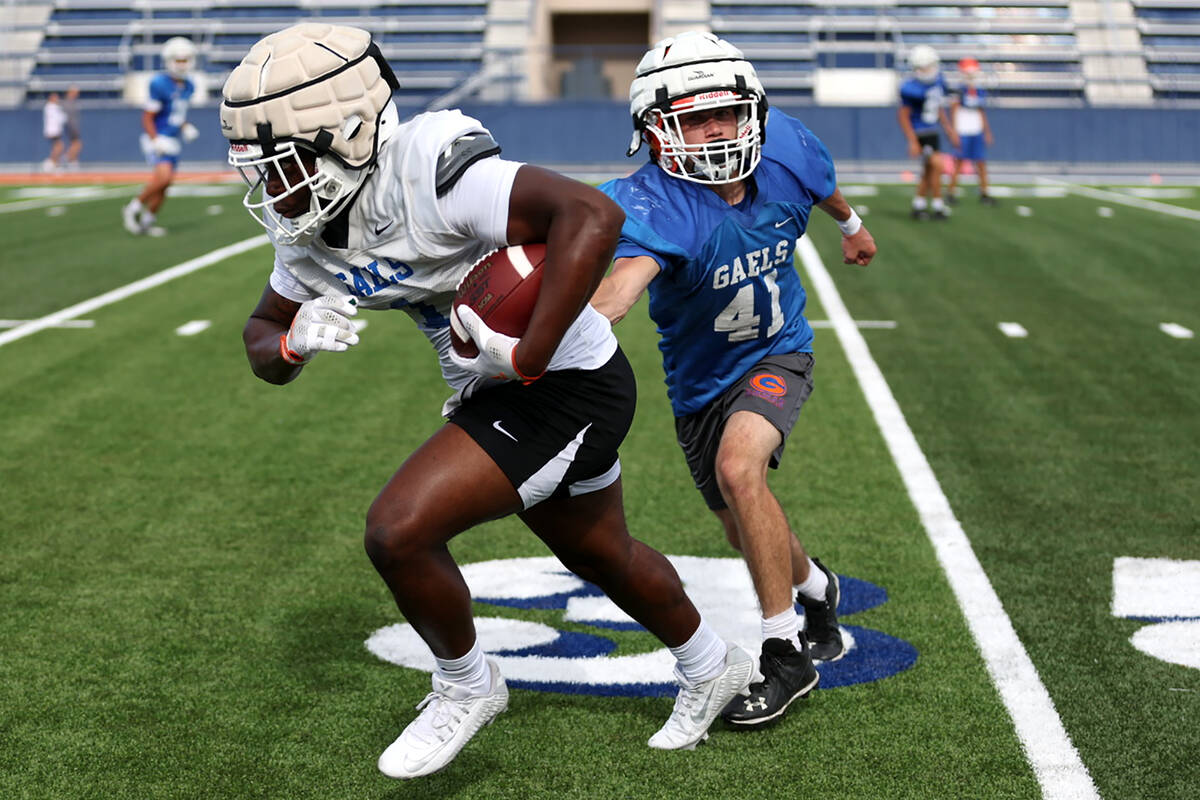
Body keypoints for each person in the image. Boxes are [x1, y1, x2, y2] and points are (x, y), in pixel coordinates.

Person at [221, 23, 754, 779]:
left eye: (286, 166)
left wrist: (529, 349)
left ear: (346, 134)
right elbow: (261, 340)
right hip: (500, 386)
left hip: (565, 384)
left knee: (397, 531)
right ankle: (711, 664)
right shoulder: (308, 228)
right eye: (264, 171)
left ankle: (467, 685)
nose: (275, 189)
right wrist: (292, 338)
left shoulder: (431, 171)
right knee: (602, 553)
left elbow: (592, 218)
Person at [591, 31, 877, 727]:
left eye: (725, 112)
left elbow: (827, 188)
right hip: (699, 384)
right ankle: (816, 587)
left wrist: (853, 226)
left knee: (740, 471)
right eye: (693, 116)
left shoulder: (788, 146)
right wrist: (539, 347)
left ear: (753, 111)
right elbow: (619, 292)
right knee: (738, 526)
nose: (715, 128)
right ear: (658, 133)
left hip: (779, 350)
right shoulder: (655, 204)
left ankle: (784, 657)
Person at [122, 37, 199, 236]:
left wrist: (185, 126)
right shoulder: (159, 84)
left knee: (166, 184)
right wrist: (155, 140)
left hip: (173, 139)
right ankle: (133, 207)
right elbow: (148, 117)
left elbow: (175, 114)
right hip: (158, 137)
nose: (182, 65)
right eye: (178, 60)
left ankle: (147, 222)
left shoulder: (189, 85)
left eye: (185, 60)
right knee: (163, 178)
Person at [897, 44, 958, 220]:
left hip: (933, 131)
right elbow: (902, 116)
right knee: (937, 165)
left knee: (929, 169)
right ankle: (937, 205)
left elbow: (938, 107)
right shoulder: (910, 87)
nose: (930, 69)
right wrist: (912, 140)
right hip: (920, 132)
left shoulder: (938, 81)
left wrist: (948, 129)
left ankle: (920, 205)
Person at [947, 59, 996, 206]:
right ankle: (951, 192)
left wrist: (986, 131)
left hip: (976, 130)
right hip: (963, 130)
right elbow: (954, 110)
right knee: (959, 163)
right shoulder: (959, 90)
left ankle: (984, 192)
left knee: (981, 162)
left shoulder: (979, 91)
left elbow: (981, 112)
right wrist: (954, 132)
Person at [42, 92, 66, 172]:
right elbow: (59, 118)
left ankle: (55, 164)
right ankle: (50, 162)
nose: (57, 99)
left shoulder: (53, 107)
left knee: (57, 147)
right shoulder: (50, 107)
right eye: (55, 98)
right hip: (53, 131)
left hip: (55, 130)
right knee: (59, 146)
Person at [62, 85, 83, 170]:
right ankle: (66, 158)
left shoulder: (72, 102)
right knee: (77, 144)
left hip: (73, 126)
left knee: (75, 144)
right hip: (71, 126)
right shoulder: (67, 102)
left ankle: (72, 161)